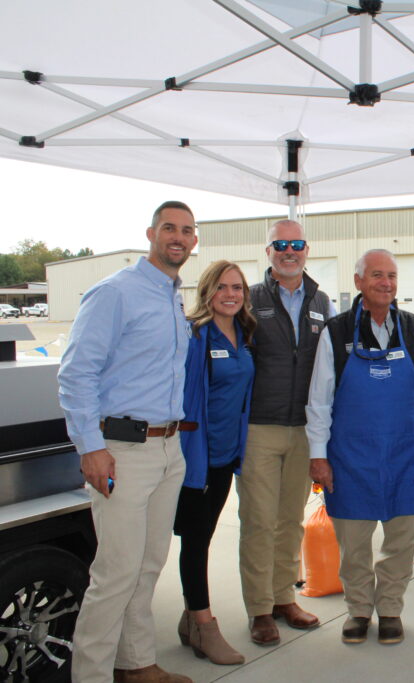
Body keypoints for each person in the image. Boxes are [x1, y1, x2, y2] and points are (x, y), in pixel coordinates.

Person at [58, 201, 198, 683]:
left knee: (147, 566)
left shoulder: (173, 296)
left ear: (194, 241)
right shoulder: (116, 292)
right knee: (114, 574)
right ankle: (91, 676)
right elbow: (76, 373)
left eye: (186, 230)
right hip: (122, 451)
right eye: (168, 228)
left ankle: (136, 665)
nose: (177, 237)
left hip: (168, 449)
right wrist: (90, 447)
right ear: (150, 234)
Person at [306, 248, 414, 646]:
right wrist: (318, 455)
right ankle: (359, 610)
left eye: (392, 276)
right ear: (359, 282)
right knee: (354, 543)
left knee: (402, 540)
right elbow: (320, 399)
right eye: (377, 275)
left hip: (405, 453)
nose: (386, 283)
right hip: (351, 457)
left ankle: (391, 610)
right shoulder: (335, 332)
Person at [238, 219, 333, 646]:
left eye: (296, 244)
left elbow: (328, 368)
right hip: (260, 427)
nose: (289, 251)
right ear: (269, 251)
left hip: (303, 429)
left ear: (306, 250)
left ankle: (282, 599)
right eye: (281, 244)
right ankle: (259, 609)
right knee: (259, 522)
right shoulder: (250, 299)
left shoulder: (321, 300)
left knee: (289, 521)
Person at [174, 260, 256, 666]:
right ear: (207, 291)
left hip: (226, 457)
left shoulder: (243, 332)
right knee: (195, 539)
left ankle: (189, 620)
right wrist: (194, 461)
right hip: (199, 458)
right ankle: (205, 626)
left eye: (237, 288)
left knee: (202, 536)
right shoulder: (196, 337)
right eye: (222, 287)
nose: (231, 294)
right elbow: (187, 404)